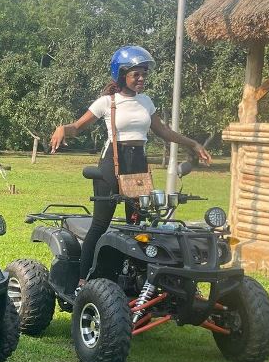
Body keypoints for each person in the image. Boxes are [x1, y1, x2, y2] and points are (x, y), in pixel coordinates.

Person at [49, 45, 211, 293]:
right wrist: (63, 128)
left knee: (137, 225)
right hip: (111, 164)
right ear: (122, 74)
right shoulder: (107, 102)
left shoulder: (146, 102)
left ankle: (131, 280)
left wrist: (193, 143)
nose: (142, 78)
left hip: (138, 165)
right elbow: (78, 126)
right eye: (136, 74)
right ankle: (83, 281)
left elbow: (164, 132)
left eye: (144, 73)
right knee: (100, 224)